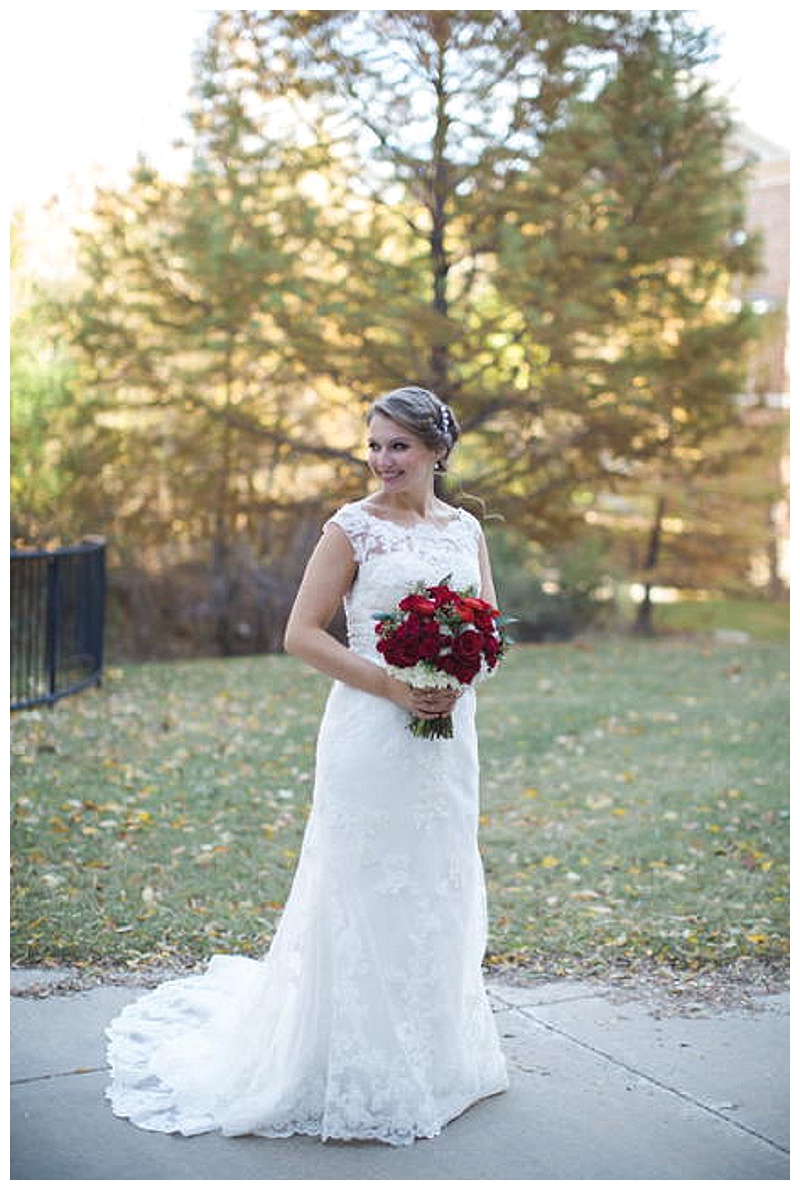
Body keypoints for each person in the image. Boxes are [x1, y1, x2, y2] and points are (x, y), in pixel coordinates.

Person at [105, 385, 508, 1146]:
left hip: (449, 736)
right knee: (360, 886)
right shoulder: (350, 529)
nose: (382, 460)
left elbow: (488, 633)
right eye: (375, 444)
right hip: (368, 731)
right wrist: (393, 683)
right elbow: (301, 633)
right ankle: (349, 1063)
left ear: (437, 452)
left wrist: (458, 677)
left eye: (399, 446)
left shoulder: (466, 530)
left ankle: (435, 1056)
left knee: (435, 879)